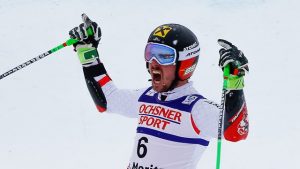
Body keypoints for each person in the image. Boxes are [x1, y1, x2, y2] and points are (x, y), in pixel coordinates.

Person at [69, 17, 249, 169]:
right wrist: (88, 52)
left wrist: (235, 82)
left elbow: (236, 132)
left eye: (164, 55)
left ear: (185, 64)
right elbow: (108, 101)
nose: (153, 62)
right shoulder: (146, 97)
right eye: (150, 53)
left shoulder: (197, 109)